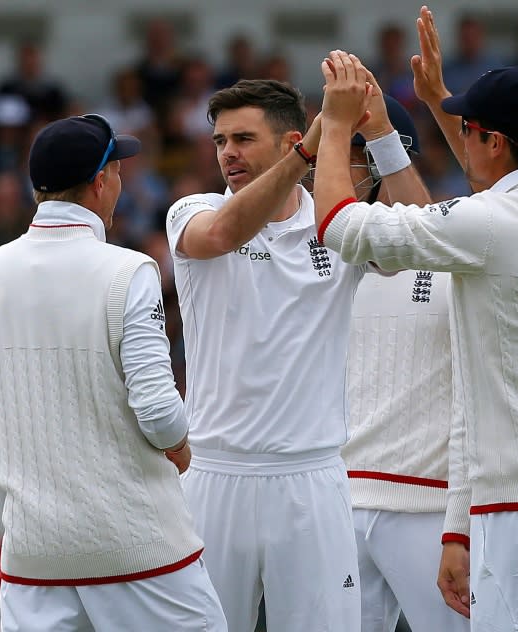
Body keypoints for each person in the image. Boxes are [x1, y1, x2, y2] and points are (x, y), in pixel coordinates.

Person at [312, 14, 518, 629]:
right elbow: (484, 190)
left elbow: (339, 227)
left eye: (468, 129)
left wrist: (335, 129)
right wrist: (438, 101)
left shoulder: (487, 226)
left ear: (492, 140)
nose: (458, 138)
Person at [0, 113, 227, 631]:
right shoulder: (130, 271)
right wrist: (182, 447)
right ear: (101, 182)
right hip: (138, 546)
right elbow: (161, 416)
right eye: (118, 171)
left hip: (33, 554)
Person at [165, 78, 375, 632]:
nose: (226, 152)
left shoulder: (336, 222)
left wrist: (376, 131)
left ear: (285, 142)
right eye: (219, 141)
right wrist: (311, 150)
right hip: (214, 475)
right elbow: (224, 234)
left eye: (242, 138)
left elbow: (416, 247)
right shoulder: (194, 209)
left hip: (310, 476)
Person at [341, 93, 469, 632]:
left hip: (428, 506)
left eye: (346, 152)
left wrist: (382, 137)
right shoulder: (305, 256)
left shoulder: (456, 236)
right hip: (337, 502)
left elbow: (415, 231)